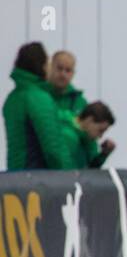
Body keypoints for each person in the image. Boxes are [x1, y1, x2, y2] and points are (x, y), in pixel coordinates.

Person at [3, 42, 75, 172]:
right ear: (41, 66)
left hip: (15, 179)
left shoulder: (12, 99)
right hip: (38, 182)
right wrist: (68, 177)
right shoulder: (38, 98)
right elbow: (53, 149)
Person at [56, 101, 116, 169]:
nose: (100, 136)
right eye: (100, 130)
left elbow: (90, 169)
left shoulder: (89, 140)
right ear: (89, 120)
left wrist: (103, 154)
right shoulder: (67, 137)